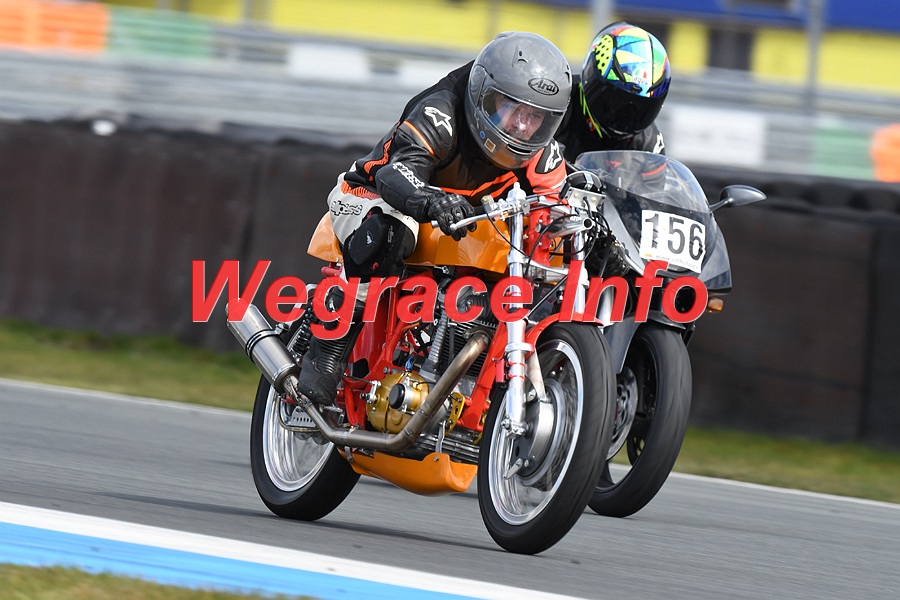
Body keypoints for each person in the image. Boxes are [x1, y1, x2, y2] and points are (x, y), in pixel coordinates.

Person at [296, 31, 572, 405]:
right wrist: (431, 200)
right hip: (372, 195)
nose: (522, 126)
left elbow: (557, 202)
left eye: (535, 116)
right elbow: (398, 171)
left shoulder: (539, 150)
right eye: (512, 109)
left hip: (458, 223)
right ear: (484, 95)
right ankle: (326, 346)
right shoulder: (440, 111)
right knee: (392, 231)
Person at [555, 22, 671, 163]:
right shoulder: (558, 102)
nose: (624, 116)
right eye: (616, 100)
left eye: (640, 107)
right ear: (592, 80)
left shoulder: (648, 142)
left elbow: (658, 177)